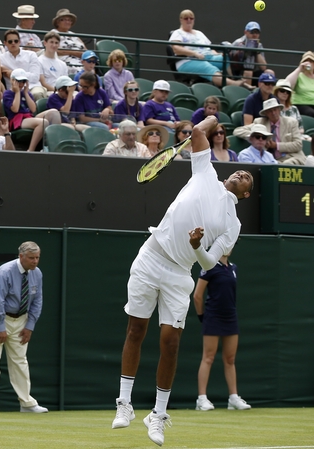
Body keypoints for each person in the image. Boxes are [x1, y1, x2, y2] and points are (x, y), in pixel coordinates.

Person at [111, 115, 252, 447]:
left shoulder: (233, 224)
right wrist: (215, 119)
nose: (241, 174)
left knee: (171, 343)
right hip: (151, 256)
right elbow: (199, 129)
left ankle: (158, 414)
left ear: (246, 194)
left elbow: (209, 262)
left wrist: (196, 245)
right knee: (135, 330)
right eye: (239, 171)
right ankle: (124, 403)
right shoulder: (205, 171)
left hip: (179, 273)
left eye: (247, 178)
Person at [0, 241, 47, 414]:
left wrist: (30, 326)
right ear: (21, 256)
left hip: (21, 319)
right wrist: (0, 327)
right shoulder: (5, 271)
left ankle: (27, 403)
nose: (35, 261)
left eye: (37, 257)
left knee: (20, 360)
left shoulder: (37, 273)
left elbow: (37, 300)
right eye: (31, 258)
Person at [193, 249, 251, 412]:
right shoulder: (209, 266)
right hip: (213, 316)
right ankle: (201, 399)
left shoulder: (233, 268)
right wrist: (202, 316)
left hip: (230, 317)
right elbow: (197, 295)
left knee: (230, 359)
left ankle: (233, 398)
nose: (229, 247)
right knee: (208, 357)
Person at [170, 9, 246, 88]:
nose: (189, 20)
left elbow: (210, 48)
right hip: (188, 61)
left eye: (191, 18)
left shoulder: (199, 33)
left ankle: (236, 79)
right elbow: (176, 49)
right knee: (208, 67)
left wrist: (219, 54)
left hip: (208, 57)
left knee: (227, 57)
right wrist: (194, 53)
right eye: (186, 18)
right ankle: (235, 85)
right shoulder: (177, 33)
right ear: (181, 20)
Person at [3, 69, 60, 151]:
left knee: (54, 112)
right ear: (12, 80)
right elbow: (15, 109)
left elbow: (33, 109)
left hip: (29, 117)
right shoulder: (7, 93)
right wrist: (17, 92)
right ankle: (30, 150)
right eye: (19, 81)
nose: (21, 84)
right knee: (44, 122)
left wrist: (26, 93)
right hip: (17, 119)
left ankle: (53, 146)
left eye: (23, 81)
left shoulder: (26, 93)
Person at [235, 98, 304, 165]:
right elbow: (238, 131)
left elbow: (298, 145)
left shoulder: (291, 122)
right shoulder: (260, 122)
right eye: (270, 111)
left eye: (275, 110)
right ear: (266, 113)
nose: (273, 113)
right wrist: (258, 135)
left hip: (291, 157)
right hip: (270, 160)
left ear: (279, 110)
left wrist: (276, 145)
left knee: (286, 165)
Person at [0, 29, 46, 100]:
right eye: (10, 41)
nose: (13, 43)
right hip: (13, 90)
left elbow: (35, 77)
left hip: (32, 87)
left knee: (37, 93)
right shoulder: (1, 58)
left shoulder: (31, 55)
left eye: (16, 41)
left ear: (19, 42)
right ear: (5, 43)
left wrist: (13, 73)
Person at [228, 21, 266, 86]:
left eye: (257, 32)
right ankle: (247, 91)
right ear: (245, 32)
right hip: (238, 73)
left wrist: (257, 51)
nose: (255, 35)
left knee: (269, 73)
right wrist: (243, 52)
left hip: (253, 71)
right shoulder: (238, 43)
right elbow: (231, 61)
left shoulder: (259, 45)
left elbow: (263, 67)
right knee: (248, 72)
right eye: (252, 32)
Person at [51, 8, 85, 77]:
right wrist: (75, 53)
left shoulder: (74, 35)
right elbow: (54, 50)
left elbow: (85, 51)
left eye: (69, 20)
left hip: (81, 61)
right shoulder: (53, 33)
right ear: (57, 22)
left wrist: (78, 54)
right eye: (64, 20)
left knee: (90, 70)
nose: (67, 22)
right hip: (65, 62)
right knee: (78, 70)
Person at [287, 51, 314, 118]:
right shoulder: (298, 75)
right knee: (311, 113)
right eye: (306, 61)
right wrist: (299, 68)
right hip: (301, 104)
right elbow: (287, 85)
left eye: (311, 61)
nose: (308, 63)